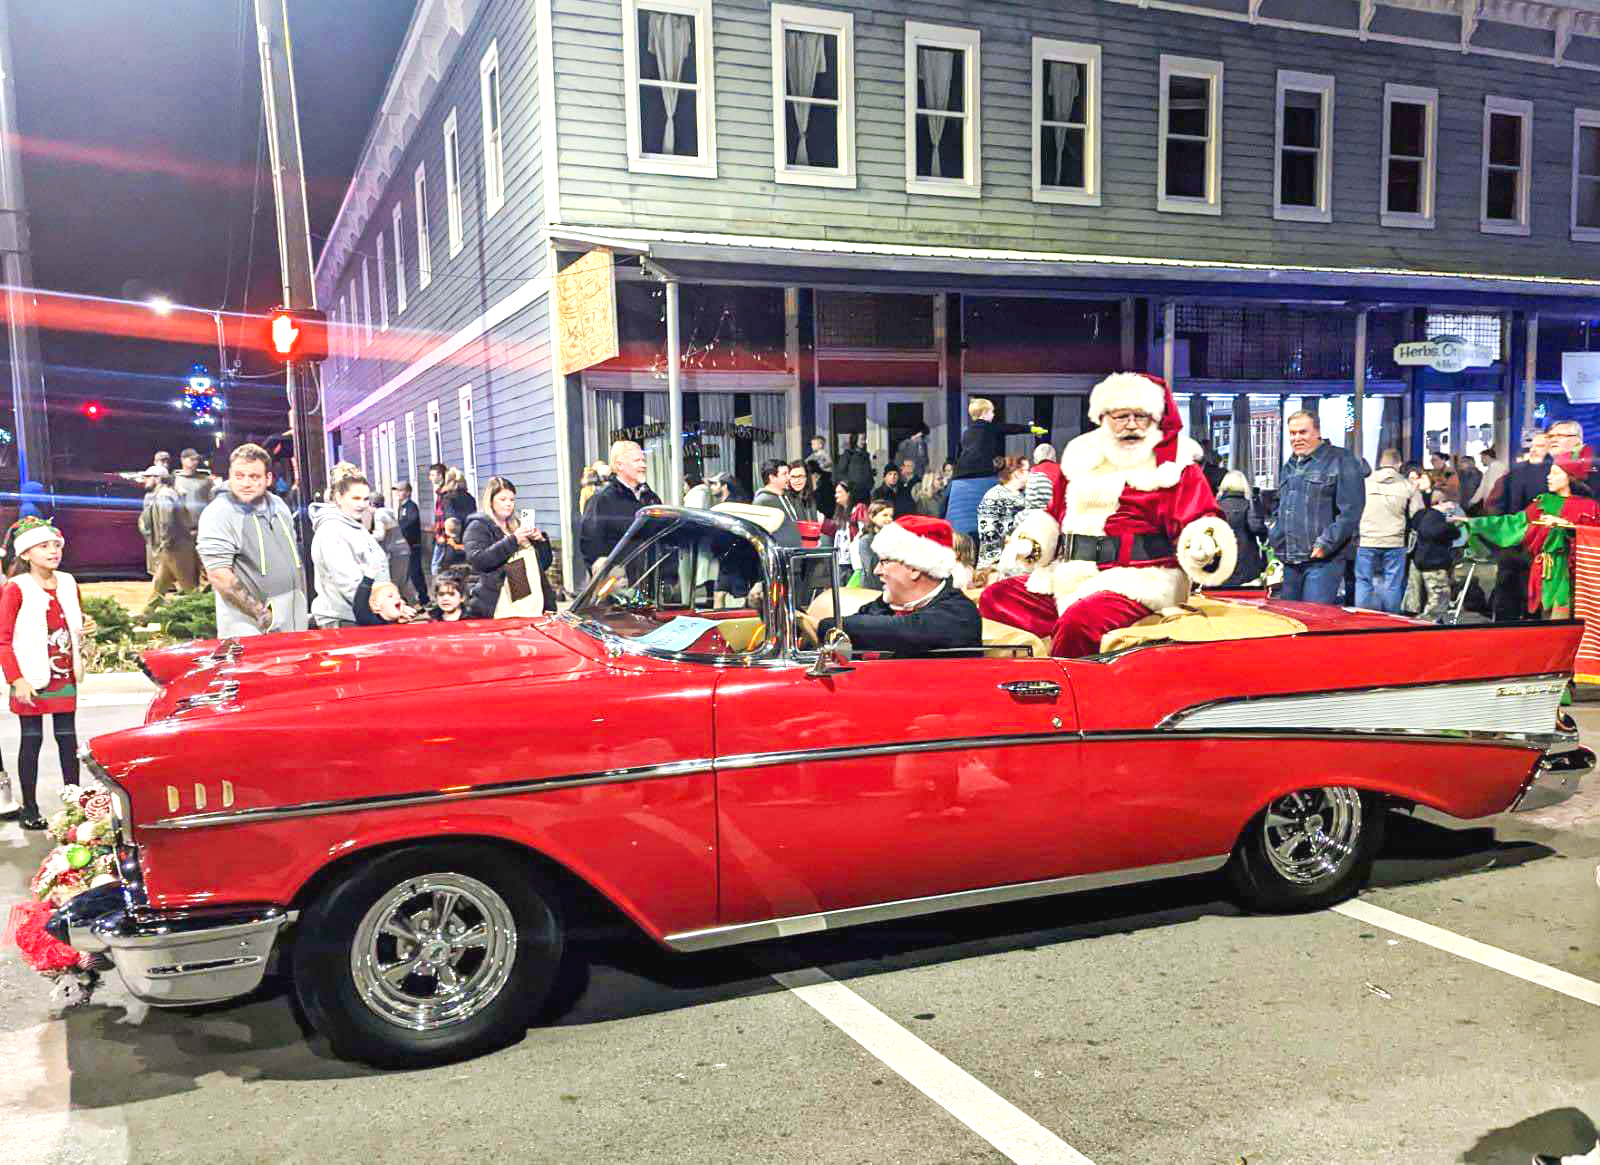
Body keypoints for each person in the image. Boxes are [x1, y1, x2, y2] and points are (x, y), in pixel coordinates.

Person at [979, 373, 1236, 658]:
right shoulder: (1080, 461)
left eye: (1140, 416)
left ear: (1155, 418)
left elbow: (1202, 518)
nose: (1131, 425)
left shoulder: (1175, 467)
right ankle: (1025, 670)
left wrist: (1204, 543)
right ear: (1104, 418)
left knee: (1080, 623)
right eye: (1122, 416)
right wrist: (1032, 541)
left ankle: (1068, 681)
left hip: (1138, 580)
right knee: (996, 598)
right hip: (1071, 574)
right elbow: (1052, 515)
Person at [0, 518, 84, 831]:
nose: (53, 551)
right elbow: (3, 639)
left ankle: (75, 803)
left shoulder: (68, 582)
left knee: (67, 740)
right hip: (30, 677)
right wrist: (17, 679)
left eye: (56, 545)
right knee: (32, 740)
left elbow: (73, 619)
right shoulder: (16, 588)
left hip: (64, 677)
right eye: (44, 546)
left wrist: (84, 627)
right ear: (25, 554)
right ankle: (30, 807)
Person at [813, 516, 981, 657]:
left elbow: (901, 630)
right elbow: (858, 624)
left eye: (884, 562)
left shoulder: (960, 613)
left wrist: (823, 627)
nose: (876, 571)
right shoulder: (887, 603)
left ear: (914, 568)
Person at [1468, 451, 1600, 619]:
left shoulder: (1590, 507)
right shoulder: (1543, 502)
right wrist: (1473, 523)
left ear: (1570, 477)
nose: (1549, 477)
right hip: (1545, 572)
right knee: (1546, 618)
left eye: (1555, 473)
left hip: (1576, 575)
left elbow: (1594, 537)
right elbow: (1514, 524)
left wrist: (1567, 526)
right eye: (1549, 473)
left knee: (1566, 619)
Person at [197, 443, 309, 636]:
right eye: (239, 476)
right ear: (230, 476)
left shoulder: (279, 505)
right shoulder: (220, 513)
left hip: (292, 617)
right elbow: (219, 575)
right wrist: (262, 615)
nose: (246, 483)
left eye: (254, 477)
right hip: (249, 625)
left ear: (268, 478)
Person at [1267, 410, 1364, 605]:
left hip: (1322, 562)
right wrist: (1276, 535)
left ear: (1317, 432)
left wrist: (1325, 544)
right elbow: (1280, 505)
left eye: (1303, 432)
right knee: (1290, 618)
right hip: (1289, 560)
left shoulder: (1341, 460)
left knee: (1315, 618)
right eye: (1292, 433)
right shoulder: (1290, 465)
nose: (1297, 438)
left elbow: (1351, 511)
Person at [310, 472, 411, 629]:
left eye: (365, 499)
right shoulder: (332, 530)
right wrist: (387, 607)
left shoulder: (353, 524)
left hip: (363, 615)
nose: (361, 505)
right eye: (355, 498)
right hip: (343, 619)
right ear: (339, 498)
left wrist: (392, 603)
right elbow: (350, 585)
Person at [948, 398, 1043, 539]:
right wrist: (1029, 429)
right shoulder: (989, 427)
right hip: (983, 472)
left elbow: (959, 452)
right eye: (992, 411)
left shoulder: (966, 432)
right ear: (984, 413)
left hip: (961, 474)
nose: (993, 415)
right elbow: (1009, 428)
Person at [464, 476, 553, 618]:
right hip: (502, 607)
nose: (508, 504)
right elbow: (478, 560)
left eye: (512, 500)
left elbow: (544, 564)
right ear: (490, 500)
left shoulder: (518, 525)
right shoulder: (478, 526)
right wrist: (513, 540)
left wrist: (541, 541)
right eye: (503, 499)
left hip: (533, 605)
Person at [578, 439, 661, 575]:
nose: (643, 465)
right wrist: (609, 577)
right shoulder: (602, 500)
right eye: (637, 461)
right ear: (619, 465)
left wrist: (669, 576)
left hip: (653, 581)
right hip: (621, 583)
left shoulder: (651, 498)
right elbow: (591, 546)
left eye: (643, 460)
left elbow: (663, 539)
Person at [1355, 449, 1422, 614]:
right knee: (1392, 584)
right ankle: (1391, 619)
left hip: (1366, 540)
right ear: (1399, 464)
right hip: (1395, 541)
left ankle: (1361, 618)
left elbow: (1354, 509)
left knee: (1363, 582)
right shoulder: (1408, 486)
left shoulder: (1364, 483)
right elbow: (1418, 513)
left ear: (1380, 463)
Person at [142, 468, 198, 595]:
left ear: (157, 479)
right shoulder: (165, 493)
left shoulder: (164, 495)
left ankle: (201, 608)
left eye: (148, 477)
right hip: (173, 546)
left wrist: (164, 541)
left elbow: (166, 521)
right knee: (160, 584)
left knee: (189, 587)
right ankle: (152, 607)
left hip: (175, 547)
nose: (145, 480)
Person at [1410, 480, 1460, 621]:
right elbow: (1438, 532)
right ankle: (1428, 623)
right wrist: (1452, 528)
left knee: (1432, 597)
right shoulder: (1435, 519)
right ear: (1442, 502)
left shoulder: (1424, 515)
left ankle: (1434, 621)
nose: (1454, 507)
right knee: (1439, 598)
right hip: (1434, 562)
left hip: (1424, 561)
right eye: (1452, 503)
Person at [976, 456, 1030, 568]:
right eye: (1027, 470)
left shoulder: (1025, 496)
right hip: (996, 566)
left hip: (1019, 563)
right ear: (1017, 473)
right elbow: (988, 535)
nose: (1030, 474)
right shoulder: (993, 496)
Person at [1216, 470, 1267, 587]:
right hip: (1246, 559)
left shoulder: (1215, 505)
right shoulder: (1249, 504)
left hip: (1221, 559)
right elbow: (1256, 527)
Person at [172, 448, 212, 581]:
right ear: (183, 460)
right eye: (192, 459)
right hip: (181, 527)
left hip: (202, 526)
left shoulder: (205, 481)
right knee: (185, 561)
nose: (195, 462)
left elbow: (211, 501)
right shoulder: (174, 480)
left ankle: (206, 585)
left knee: (205, 558)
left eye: (196, 460)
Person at [850, 499, 896, 589]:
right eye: (885, 515)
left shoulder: (891, 537)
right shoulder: (866, 540)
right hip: (873, 589)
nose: (889, 519)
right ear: (872, 517)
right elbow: (871, 570)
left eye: (891, 516)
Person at [394, 481, 427, 602]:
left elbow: (411, 521)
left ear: (408, 492)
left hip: (413, 545)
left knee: (415, 572)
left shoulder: (411, 506)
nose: (398, 493)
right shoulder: (401, 506)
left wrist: (400, 531)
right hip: (404, 546)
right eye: (397, 490)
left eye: (401, 490)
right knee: (405, 573)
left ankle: (424, 598)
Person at [1022, 442, 1066, 518]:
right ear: (1053, 456)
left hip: (1038, 517)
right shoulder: (1062, 470)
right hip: (1059, 515)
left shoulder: (1033, 471)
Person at [834, 432, 874, 502]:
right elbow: (840, 473)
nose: (864, 442)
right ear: (855, 440)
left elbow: (869, 471)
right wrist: (850, 485)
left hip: (865, 492)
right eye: (862, 439)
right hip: (853, 492)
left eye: (865, 439)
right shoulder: (848, 454)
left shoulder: (866, 455)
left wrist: (870, 483)